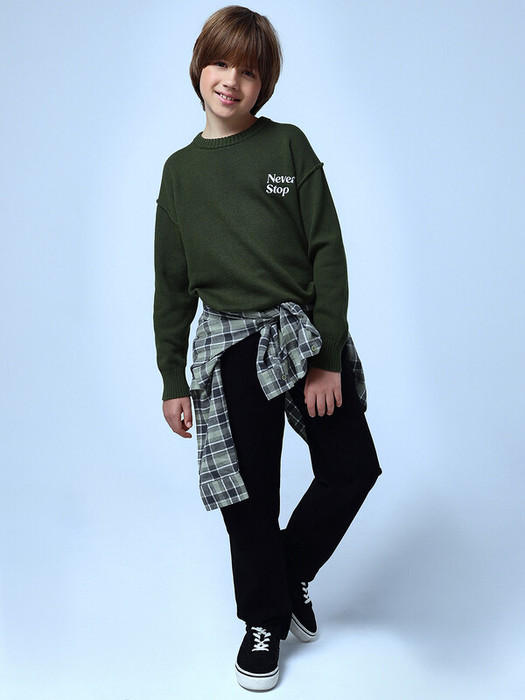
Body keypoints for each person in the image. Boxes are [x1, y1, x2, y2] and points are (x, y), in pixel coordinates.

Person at [154, 5, 381, 692]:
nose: (231, 81)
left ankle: (288, 573)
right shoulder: (179, 173)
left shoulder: (287, 147)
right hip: (229, 345)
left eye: (248, 72)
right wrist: (173, 378)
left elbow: (328, 253)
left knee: (351, 468)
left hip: (301, 336)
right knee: (249, 495)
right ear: (199, 69)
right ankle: (263, 620)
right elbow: (171, 286)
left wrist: (326, 358)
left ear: (265, 86)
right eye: (220, 64)